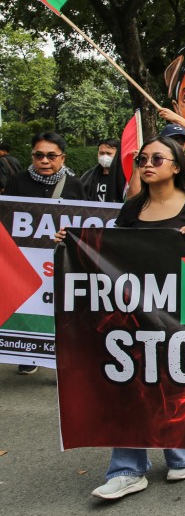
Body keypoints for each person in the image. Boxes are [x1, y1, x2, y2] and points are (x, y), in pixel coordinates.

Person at [54, 136, 185, 499]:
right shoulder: (131, 209)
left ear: (177, 167)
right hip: (135, 311)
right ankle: (127, 469)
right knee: (130, 383)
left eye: (157, 158)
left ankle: (181, 453)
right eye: (143, 158)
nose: (147, 164)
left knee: (176, 378)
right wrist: (73, 243)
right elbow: (110, 253)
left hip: (182, 311)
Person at [4, 132, 85, 374]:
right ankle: (29, 353)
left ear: (62, 158)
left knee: (58, 304)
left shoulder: (74, 185)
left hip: (59, 260)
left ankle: (57, 358)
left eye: (51, 155)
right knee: (31, 303)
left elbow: (82, 222)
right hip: (26, 260)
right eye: (38, 155)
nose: (45, 161)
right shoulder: (17, 181)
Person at [80, 139, 126, 203]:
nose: (104, 156)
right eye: (101, 153)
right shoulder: (88, 176)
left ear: (118, 155)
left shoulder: (125, 177)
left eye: (108, 153)